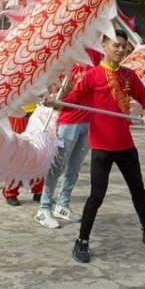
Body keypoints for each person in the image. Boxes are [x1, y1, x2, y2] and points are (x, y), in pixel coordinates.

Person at [50, 30, 145, 263]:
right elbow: (72, 103)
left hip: (125, 145)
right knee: (96, 196)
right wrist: (57, 103)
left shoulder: (129, 75)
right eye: (115, 45)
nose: (120, 50)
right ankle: (82, 241)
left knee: (138, 190)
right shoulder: (92, 76)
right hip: (102, 147)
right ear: (104, 46)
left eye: (123, 46)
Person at [33, 48, 103, 229]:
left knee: (74, 168)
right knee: (58, 166)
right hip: (69, 122)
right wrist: (63, 91)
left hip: (89, 121)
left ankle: (62, 205)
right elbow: (56, 95)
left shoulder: (98, 57)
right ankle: (44, 208)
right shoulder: (68, 58)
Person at [1, 104, 45, 207]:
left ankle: (38, 191)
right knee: (18, 155)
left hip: (39, 113)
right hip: (18, 113)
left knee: (40, 153)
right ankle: (11, 192)